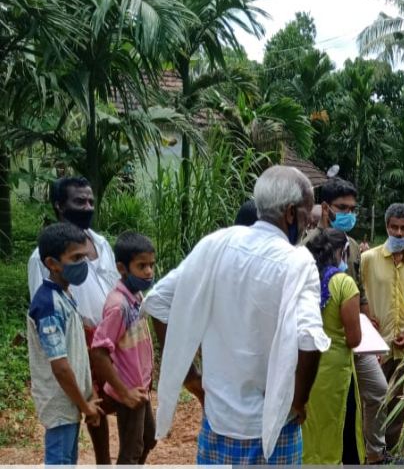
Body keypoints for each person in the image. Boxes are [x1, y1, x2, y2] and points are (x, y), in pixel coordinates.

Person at [142, 165, 331, 465]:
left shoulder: (215, 245)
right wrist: (299, 401)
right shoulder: (297, 263)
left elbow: (158, 301)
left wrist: (192, 378)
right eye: (309, 215)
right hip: (274, 428)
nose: (309, 225)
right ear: (291, 213)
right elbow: (309, 339)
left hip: (218, 421)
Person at [27, 176, 118, 464]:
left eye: (91, 201)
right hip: (71, 364)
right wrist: (81, 400)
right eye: (79, 201)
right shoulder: (48, 291)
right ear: (60, 206)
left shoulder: (100, 244)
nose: (87, 206)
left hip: (103, 343)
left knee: (71, 448)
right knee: (62, 454)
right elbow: (56, 353)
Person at [301, 178, 393, 462]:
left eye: (353, 208)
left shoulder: (352, 245)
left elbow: (360, 289)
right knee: (329, 405)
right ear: (326, 207)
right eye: (343, 207)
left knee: (378, 390)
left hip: (354, 335)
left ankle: (375, 452)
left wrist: (369, 325)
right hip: (324, 341)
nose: (349, 214)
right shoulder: (306, 246)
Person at [359, 203, 404, 452]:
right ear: (387, 227)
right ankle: (371, 450)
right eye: (394, 227)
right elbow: (353, 296)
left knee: (399, 401)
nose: (399, 233)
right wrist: (363, 318)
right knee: (374, 400)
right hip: (376, 347)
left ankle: (390, 450)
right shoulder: (368, 259)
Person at [91, 232, 157, 464]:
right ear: (122, 268)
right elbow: (99, 352)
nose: (149, 271)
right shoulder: (119, 306)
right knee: (132, 451)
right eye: (141, 266)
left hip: (140, 387)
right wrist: (124, 392)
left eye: (151, 265)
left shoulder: (136, 297)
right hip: (129, 389)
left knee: (148, 439)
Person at [302, 229, 365, 464]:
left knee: (308, 425)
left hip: (304, 366)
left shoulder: (305, 279)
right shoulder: (344, 284)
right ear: (343, 252)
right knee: (337, 423)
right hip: (335, 371)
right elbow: (354, 339)